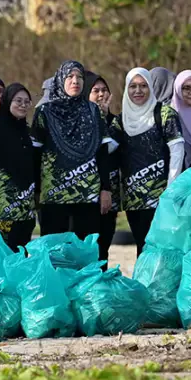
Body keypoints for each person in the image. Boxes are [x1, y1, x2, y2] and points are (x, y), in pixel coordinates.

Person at [31, 61, 114, 240]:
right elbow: (35, 155)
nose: (75, 81)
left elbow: (102, 153)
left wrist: (106, 189)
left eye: (79, 77)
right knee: (54, 251)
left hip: (87, 194)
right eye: (70, 76)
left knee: (85, 251)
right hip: (53, 195)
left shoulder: (93, 111)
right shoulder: (44, 112)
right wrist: (36, 190)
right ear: (60, 80)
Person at [110, 68, 185, 254]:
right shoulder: (121, 121)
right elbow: (107, 150)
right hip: (134, 200)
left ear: (151, 88)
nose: (138, 91)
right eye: (133, 86)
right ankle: (143, 283)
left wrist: (171, 188)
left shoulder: (165, 114)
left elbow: (177, 150)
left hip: (162, 198)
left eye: (143, 86)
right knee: (142, 248)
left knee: (163, 248)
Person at [0, 83, 38, 250]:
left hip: (26, 204)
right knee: (5, 250)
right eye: (18, 101)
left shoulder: (27, 132)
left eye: (26, 101)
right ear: (7, 102)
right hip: (3, 205)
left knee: (23, 249)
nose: (22, 105)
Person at [86, 72, 120, 262]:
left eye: (104, 90)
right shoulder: (80, 122)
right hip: (85, 195)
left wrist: (105, 118)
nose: (100, 94)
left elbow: (111, 151)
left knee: (104, 245)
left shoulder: (116, 122)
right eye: (95, 90)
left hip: (109, 193)